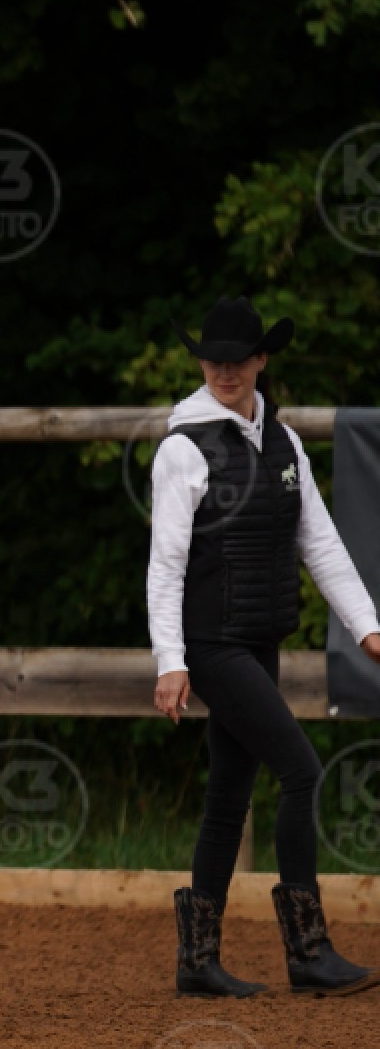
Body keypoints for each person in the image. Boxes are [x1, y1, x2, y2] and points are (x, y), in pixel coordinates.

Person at [149, 296, 380, 998]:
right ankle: (308, 951)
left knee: (229, 795)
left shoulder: (284, 444)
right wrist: (171, 660)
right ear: (201, 363)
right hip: (213, 646)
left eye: (237, 360)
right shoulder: (183, 449)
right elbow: (166, 564)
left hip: (259, 641)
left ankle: (197, 961)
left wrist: (367, 626)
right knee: (302, 770)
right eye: (212, 361)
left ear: (261, 360)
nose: (224, 372)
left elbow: (321, 543)